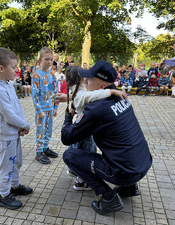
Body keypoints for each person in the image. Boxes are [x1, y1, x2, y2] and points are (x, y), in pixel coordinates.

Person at [61, 60, 152, 215]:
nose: (86, 82)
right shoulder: (120, 97)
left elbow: (67, 138)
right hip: (143, 164)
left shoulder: (97, 109)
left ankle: (109, 197)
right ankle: (129, 187)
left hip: (123, 172)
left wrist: (68, 117)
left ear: (102, 86)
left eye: (89, 80)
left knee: (70, 155)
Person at [65, 65, 127, 190]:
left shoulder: (76, 92)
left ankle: (74, 168)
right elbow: (93, 95)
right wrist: (112, 91)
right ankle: (83, 180)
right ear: (82, 79)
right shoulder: (82, 95)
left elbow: (84, 95)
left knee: (76, 149)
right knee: (88, 153)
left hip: (80, 126)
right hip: (86, 131)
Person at [0, 47, 33, 210]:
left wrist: (20, 126)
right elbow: (9, 116)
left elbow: (16, 108)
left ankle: (14, 186)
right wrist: (25, 125)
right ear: (1, 68)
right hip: (5, 136)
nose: (17, 70)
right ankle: (4, 194)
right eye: (13, 67)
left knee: (16, 162)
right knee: (7, 165)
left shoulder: (7, 84)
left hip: (13, 133)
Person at [31, 46, 59, 164]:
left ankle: (45, 148)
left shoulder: (52, 75)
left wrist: (56, 107)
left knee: (49, 130)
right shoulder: (36, 75)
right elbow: (35, 95)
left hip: (50, 108)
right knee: (41, 130)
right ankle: (39, 152)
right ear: (40, 59)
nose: (49, 62)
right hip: (41, 110)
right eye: (46, 59)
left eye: (51, 59)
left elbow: (55, 91)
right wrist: (39, 110)